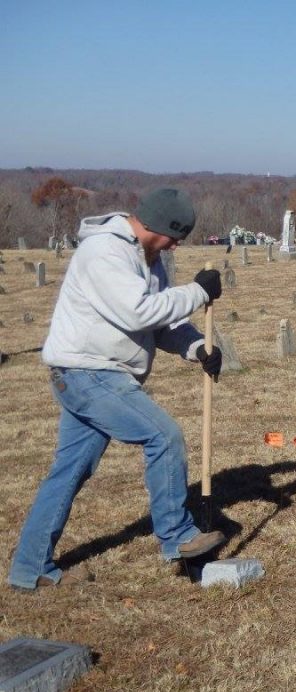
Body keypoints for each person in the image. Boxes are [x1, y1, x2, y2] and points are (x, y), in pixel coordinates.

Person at [8, 188, 227, 592]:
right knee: (163, 435)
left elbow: (159, 323)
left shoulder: (151, 257)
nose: (177, 244)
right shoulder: (104, 253)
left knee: (69, 471)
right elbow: (136, 310)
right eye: (175, 235)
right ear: (155, 225)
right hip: (86, 373)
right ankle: (178, 538)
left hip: (98, 373)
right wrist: (197, 292)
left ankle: (29, 568)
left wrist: (197, 347)